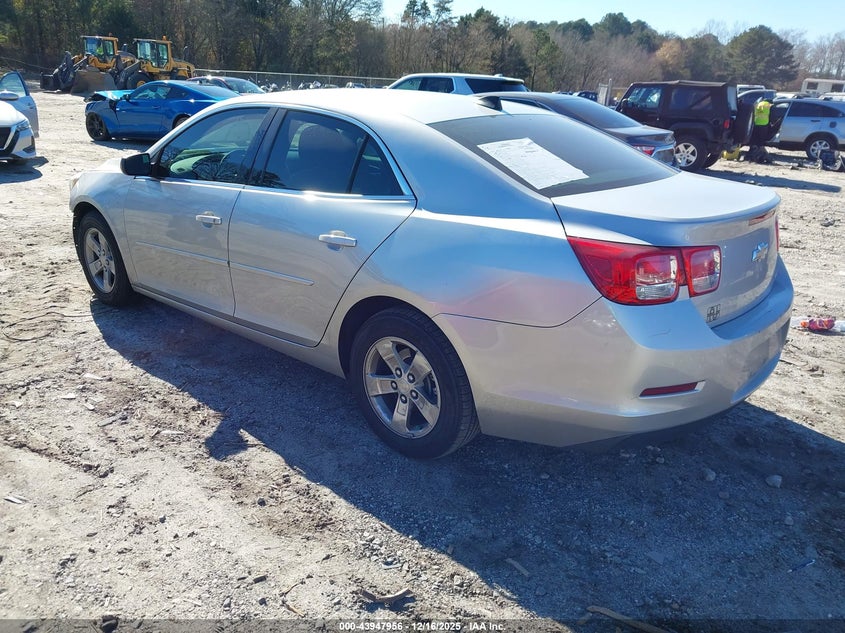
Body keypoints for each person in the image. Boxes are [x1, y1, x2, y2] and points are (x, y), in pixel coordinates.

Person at [747, 99, 773, 163]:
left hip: (756, 123)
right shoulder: (768, 105)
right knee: (761, 141)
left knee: (755, 140)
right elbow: (772, 114)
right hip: (764, 124)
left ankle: (752, 155)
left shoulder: (759, 104)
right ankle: (760, 153)